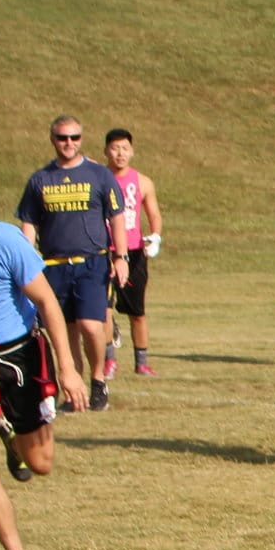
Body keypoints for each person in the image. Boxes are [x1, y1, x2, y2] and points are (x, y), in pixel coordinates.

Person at [0, 173, 90, 550]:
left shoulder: (4, 241)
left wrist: (68, 369)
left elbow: (47, 302)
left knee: (41, 463)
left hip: (21, 356)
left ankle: (13, 440)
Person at [15, 115, 128, 413]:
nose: (69, 143)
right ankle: (74, 390)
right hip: (53, 265)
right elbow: (29, 222)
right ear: (53, 139)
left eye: (74, 138)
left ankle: (98, 379)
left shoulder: (99, 175)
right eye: (63, 138)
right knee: (64, 333)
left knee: (92, 325)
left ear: (81, 139)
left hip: (92, 263)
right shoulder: (40, 179)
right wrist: (27, 261)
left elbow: (116, 217)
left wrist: (121, 255)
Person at [100, 128, 164, 380]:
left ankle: (142, 362)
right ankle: (109, 361)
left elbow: (154, 214)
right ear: (106, 151)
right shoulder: (98, 177)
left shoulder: (143, 182)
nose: (120, 153)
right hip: (104, 251)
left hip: (134, 252)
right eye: (115, 148)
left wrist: (155, 236)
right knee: (103, 309)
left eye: (124, 148)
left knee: (137, 311)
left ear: (132, 151)